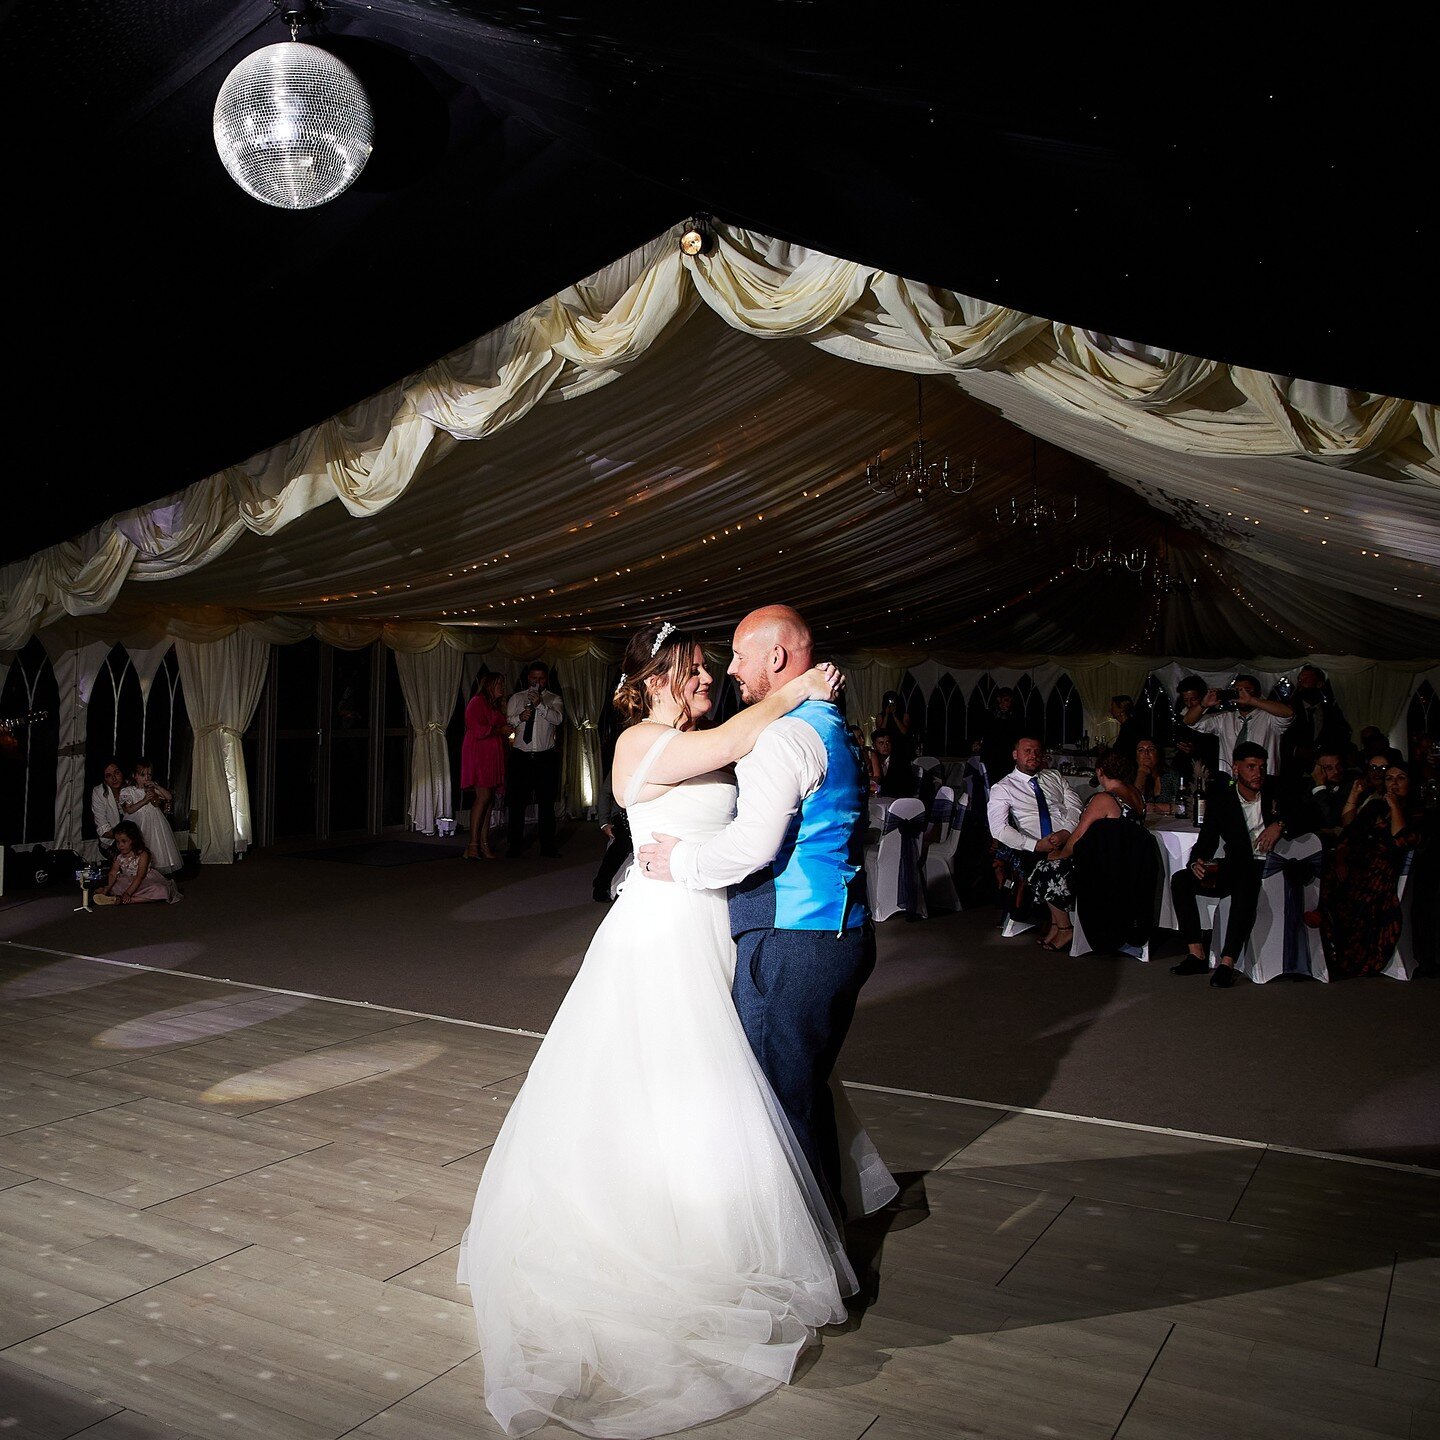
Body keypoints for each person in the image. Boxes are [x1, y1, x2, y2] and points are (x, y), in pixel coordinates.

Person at [458, 619, 890, 1438]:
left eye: (708, 670)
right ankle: (684, 1235)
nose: (707, 681)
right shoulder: (638, 744)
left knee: (740, 1081)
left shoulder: (711, 739)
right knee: (669, 1080)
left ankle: (757, 1219)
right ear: (650, 680)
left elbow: (758, 782)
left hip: (719, 927)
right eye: (693, 671)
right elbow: (738, 733)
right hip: (662, 934)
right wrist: (800, 686)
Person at [637, 606, 894, 1228]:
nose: (732, 671)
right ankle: (826, 1230)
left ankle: (810, 1257)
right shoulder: (829, 724)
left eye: (739, 656)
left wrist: (682, 863)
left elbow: (751, 848)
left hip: (794, 940)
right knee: (801, 1095)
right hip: (841, 934)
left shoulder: (782, 737)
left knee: (775, 1107)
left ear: (776, 659)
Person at [1169, 741, 1308, 987]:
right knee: (1181, 880)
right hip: (1237, 864)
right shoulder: (1222, 799)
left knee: (1245, 880)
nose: (1258, 773)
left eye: (1262, 767)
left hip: (1272, 865)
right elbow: (1207, 841)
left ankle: (1227, 962)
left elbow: (1311, 814)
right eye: (1251, 767)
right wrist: (1195, 862)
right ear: (1236, 769)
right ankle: (1196, 953)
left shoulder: (1278, 789)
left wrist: (1280, 824)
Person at [1029, 747, 1148, 952]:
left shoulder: (1104, 800)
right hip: (1128, 863)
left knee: (1046, 867)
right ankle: (1057, 926)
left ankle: (1064, 927)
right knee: (1051, 866)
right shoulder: (1136, 795)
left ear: (1100, 772)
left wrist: (1060, 853)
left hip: (1105, 866)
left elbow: (1078, 836)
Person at [1318, 761, 1421, 979]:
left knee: (1361, 892)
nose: (1394, 783)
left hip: (1383, 871)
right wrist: (1341, 859)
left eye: (1400, 778)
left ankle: (1352, 956)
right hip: (1359, 865)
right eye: (1389, 778)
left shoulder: (1415, 812)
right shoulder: (1375, 806)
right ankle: (1328, 945)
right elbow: (1349, 831)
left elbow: (1399, 842)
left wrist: (1394, 806)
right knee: (1329, 874)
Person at [986, 734, 1083, 948]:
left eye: (1037, 751)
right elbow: (999, 829)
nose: (1033, 755)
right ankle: (1065, 927)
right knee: (1049, 865)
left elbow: (1076, 807)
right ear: (1015, 755)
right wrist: (1036, 845)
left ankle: (1058, 926)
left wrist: (1066, 833)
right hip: (1032, 845)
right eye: (1027, 751)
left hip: (1069, 838)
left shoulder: (1055, 777)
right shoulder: (1003, 787)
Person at [504, 662, 564, 858]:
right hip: (521, 756)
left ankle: (548, 846)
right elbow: (508, 721)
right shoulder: (516, 698)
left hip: (545, 757)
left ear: (546, 680)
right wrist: (520, 717)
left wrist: (540, 705)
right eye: (533, 678)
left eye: (541, 678)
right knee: (517, 803)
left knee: (546, 803)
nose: (536, 682)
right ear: (527, 678)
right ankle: (514, 846)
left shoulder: (553, 699)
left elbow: (558, 719)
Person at [1181, 674, 1293, 778]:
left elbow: (1289, 713)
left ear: (1258, 693)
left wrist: (1251, 700)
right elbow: (1189, 721)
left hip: (1263, 780)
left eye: (1247, 690)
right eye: (1236, 691)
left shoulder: (1270, 718)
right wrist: (1204, 704)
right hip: (1230, 781)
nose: (1241, 694)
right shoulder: (1224, 719)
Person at [461, 671, 510, 860]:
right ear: (489, 685)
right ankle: (473, 844)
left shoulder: (494, 705)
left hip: (492, 753)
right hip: (479, 753)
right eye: (499, 684)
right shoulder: (477, 702)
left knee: (489, 799)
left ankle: (483, 842)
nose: (502, 688)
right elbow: (477, 728)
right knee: (484, 796)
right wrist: (499, 730)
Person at [91, 820, 180, 905]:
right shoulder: (119, 856)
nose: (120, 845)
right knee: (113, 887)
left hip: (143, 880)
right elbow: (113, 874)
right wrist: (108, 888)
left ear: (133, 840)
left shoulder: (142, 854)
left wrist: (128, 893)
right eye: (117, 842)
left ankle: (126, 900)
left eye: (124, 841)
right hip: (126, 881)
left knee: (161, 890)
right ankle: (118, 897)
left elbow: (140, 876)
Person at [118, 759, 182, 873]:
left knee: (155, 844)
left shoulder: (152, 788)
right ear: (135, 776)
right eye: (142, 775)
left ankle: (153, 871)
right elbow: (129, 809)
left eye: (149, 774)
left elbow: (168, 797)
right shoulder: (129, 791)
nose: (146, 778)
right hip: (138, 821)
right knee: (139, 843)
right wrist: (144, 800)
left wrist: (156, 787)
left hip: (154, 822)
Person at [980, 687, 1022, 781]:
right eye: (1006, 700)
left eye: (1010, 701)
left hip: (1007, 757)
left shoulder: (1013, 717)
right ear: (999, 700)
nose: (1008, 704)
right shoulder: (989, 715)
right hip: (992, 757)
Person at [89, 759, 125, 858]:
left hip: (134, 840)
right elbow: (103, 829)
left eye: (117, 773)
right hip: (111, 841)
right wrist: (125, 837)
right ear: (104, 779)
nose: (114, 778)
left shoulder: (131, 788)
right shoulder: (98, 792)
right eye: (109, 776)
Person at [1133, 737, 1178, 815]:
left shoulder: (1171, 775)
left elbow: (1184, 805)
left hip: (1171, 822)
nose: (1146, 753)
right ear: (1136, 757)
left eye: (1151, 749)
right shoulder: (1129, 776)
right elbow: (1133, 804)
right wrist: (1141, 773)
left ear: (1158, 754)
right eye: (1141, 750)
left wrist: (1155, 808)